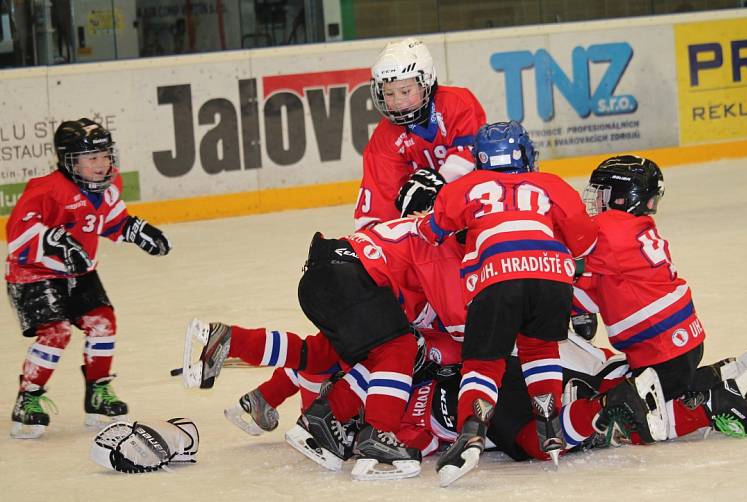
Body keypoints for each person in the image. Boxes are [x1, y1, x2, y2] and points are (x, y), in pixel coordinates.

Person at [183, 218, 466, 480]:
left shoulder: (420, 232)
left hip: (322, 273)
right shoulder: (445, 249)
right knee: (399, 346)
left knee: (318, 354)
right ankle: (377, 434)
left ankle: (232, 340)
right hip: (350, 278)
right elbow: (461, 325)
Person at [416, 120, 599, 486]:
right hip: (551, 277)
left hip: (497, 277)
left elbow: (429, 232)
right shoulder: (551, 184)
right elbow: (584, 245)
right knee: (539, 346)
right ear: (526, 154)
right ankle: (549, 420)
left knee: (484, 362)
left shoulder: (465, 186)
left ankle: (471, 430)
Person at [572, 155, 747, 440]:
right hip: (682, 343)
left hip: (661, 351)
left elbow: (572, 264)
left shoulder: (608, 229)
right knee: (668, 388)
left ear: (621, 197)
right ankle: (720, 375)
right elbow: (596, 290)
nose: (596, 200)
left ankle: (718, 403)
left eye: (602, 192)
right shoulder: (635, 230)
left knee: (633, 419)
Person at [6, 118, 171, 439]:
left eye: (105, 155)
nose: (102, 164)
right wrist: (54, 240)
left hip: (80, 272)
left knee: (103, 321)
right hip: (34, 274)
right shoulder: (46, 191)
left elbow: (110, 220)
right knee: (56, 332)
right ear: (70, 161)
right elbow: (17, 235)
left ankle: (98, 392)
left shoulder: (108, 186)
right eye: (92, 158)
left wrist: (135, 231)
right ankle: (28, 397)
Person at [355, 37, 487, 229]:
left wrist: (438, 183)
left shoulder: (457, 103)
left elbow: (472, 155)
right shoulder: (383, 138)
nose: (397, 101)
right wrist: (378, 239)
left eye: (405, 91)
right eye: (389, 94)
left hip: (474, 207)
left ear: (425, 82)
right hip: (426, 222)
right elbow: (380, 200)